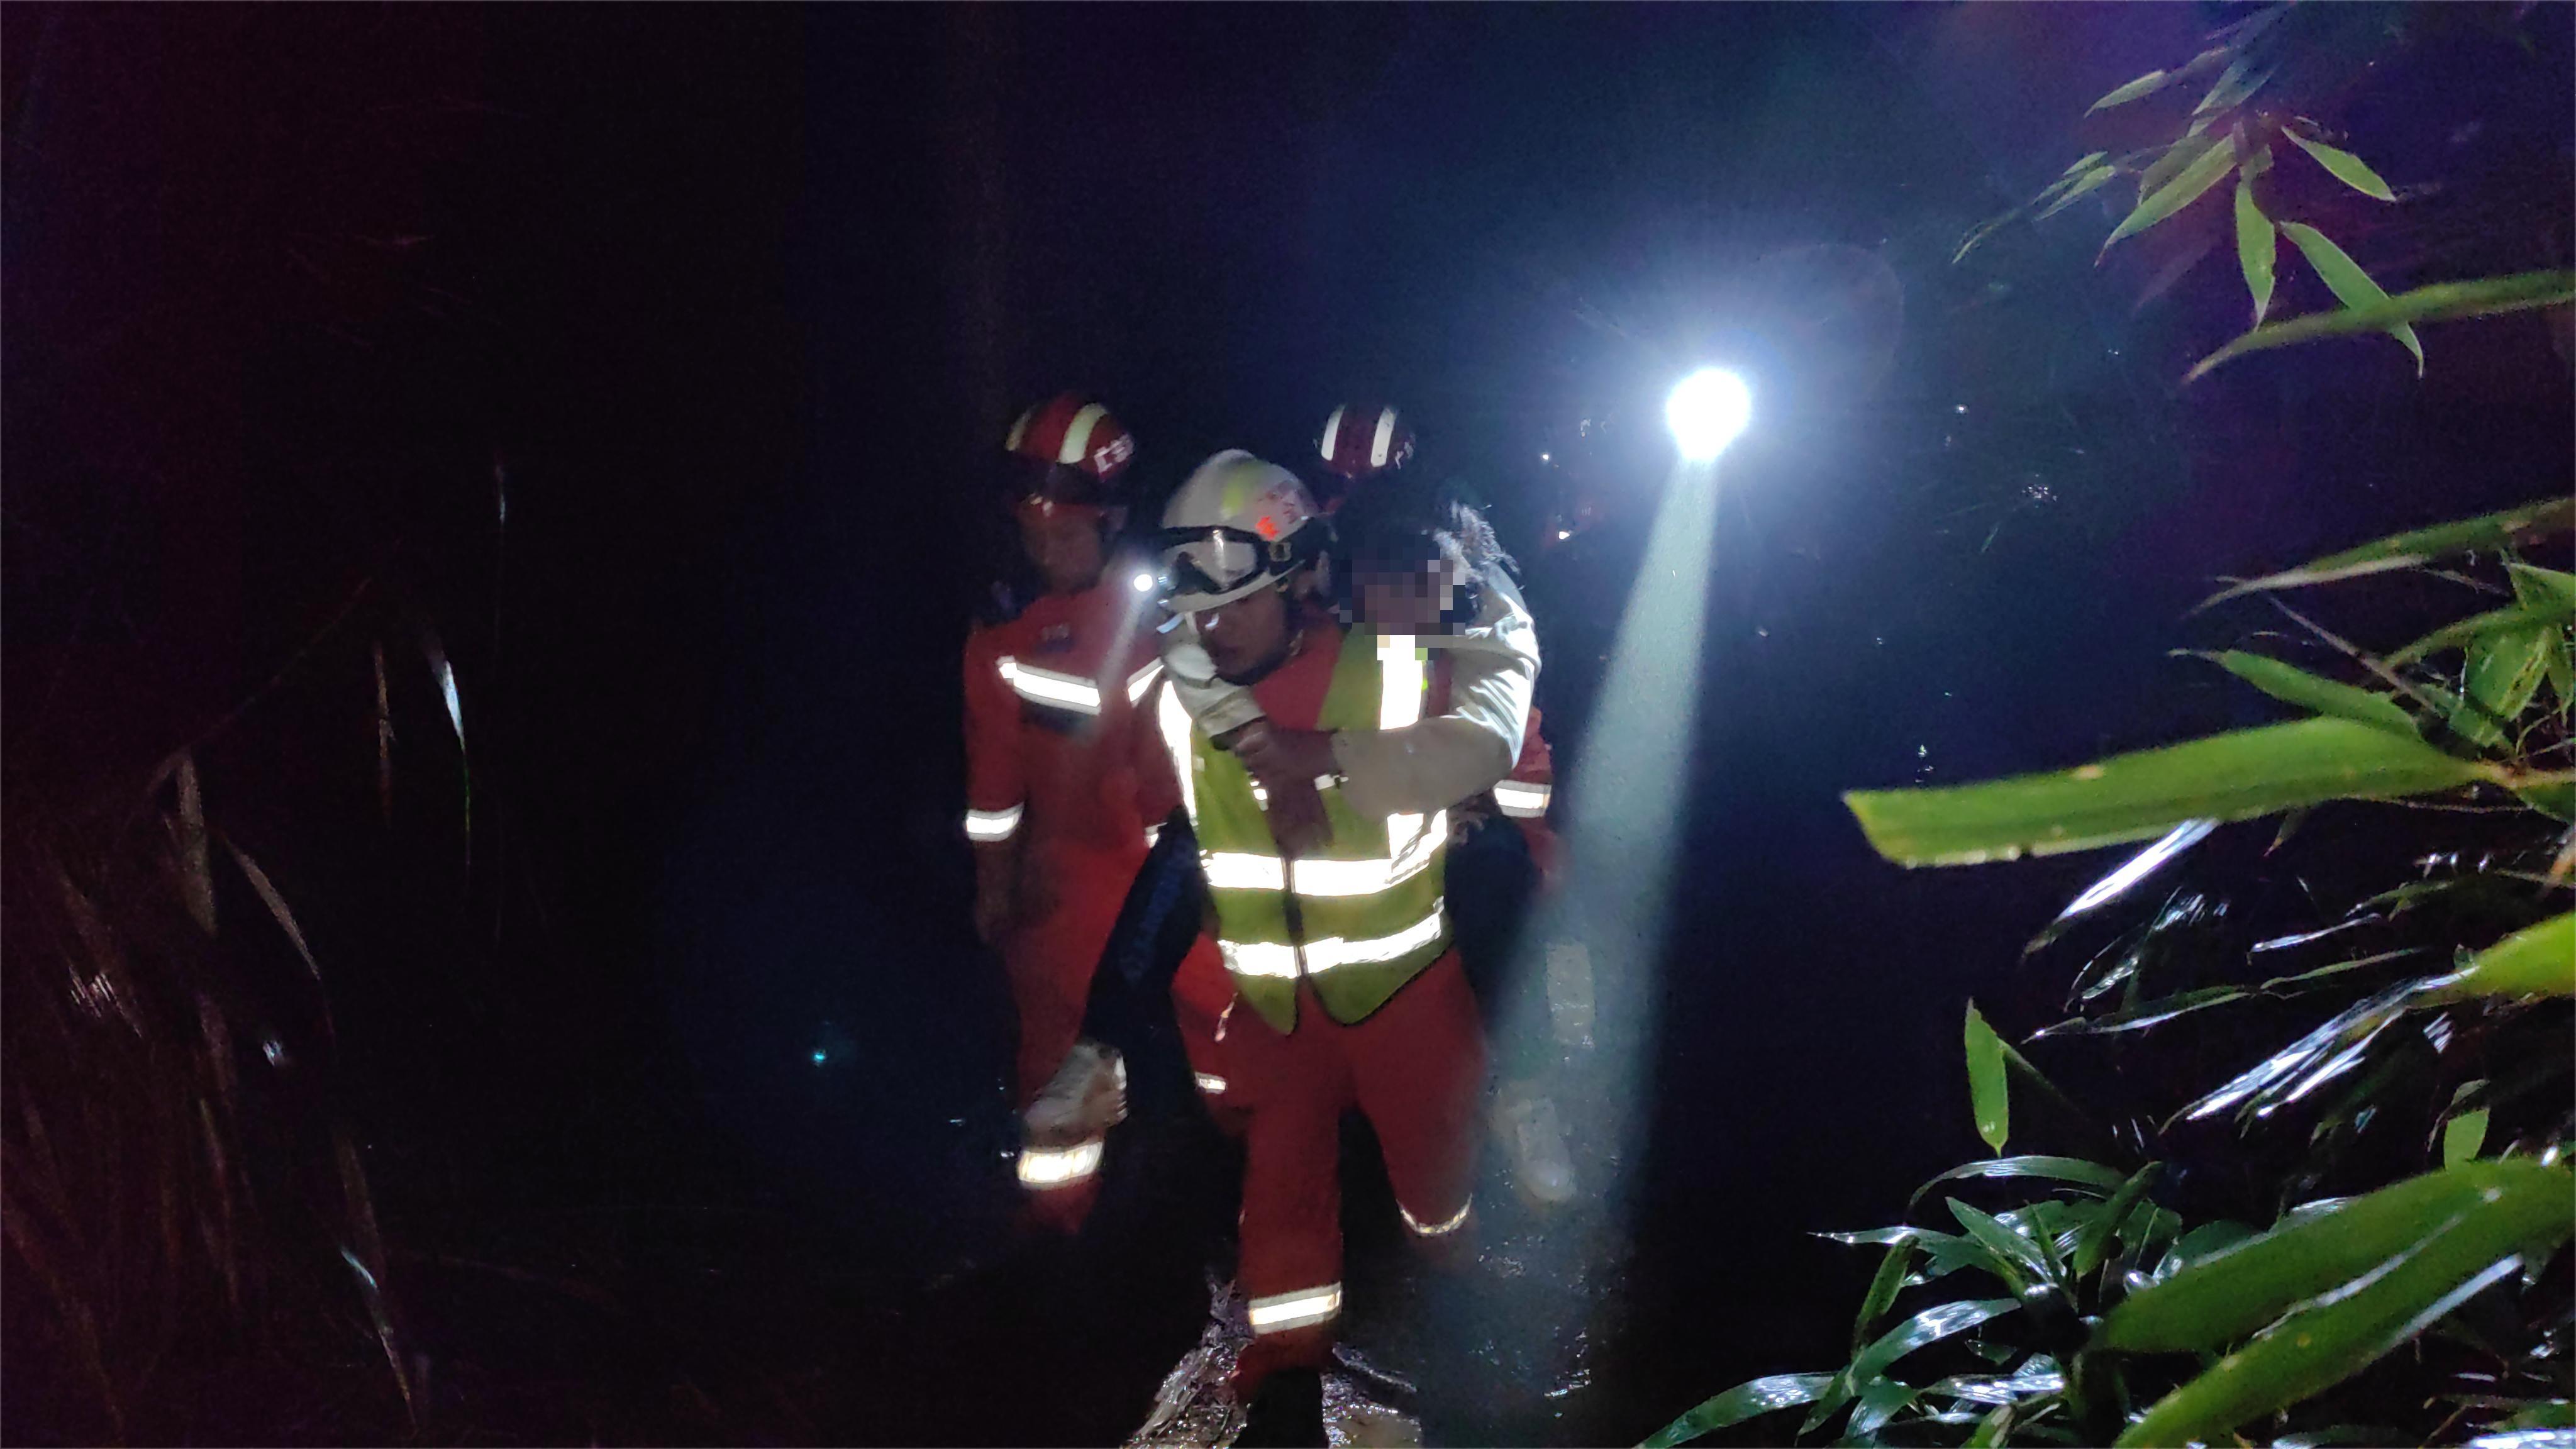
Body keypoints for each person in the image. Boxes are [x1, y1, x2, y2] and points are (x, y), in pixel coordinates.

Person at [1141, 450, 1556, 1435]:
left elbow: (1496, 728)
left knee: (1439, 1178)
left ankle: (1465, 1310)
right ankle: (1284, 1377)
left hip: (1405, 986)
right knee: (1279, 1208)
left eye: (1241, 597)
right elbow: (1168, 839)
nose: (1216, 623)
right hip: (1278, 1005)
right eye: (1202, 604)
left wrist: (1346, 770)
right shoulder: (1178, 692)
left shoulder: (1405, 667)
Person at [960, 392, 1166, 1225]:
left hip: (1168, 895)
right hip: (1059, 902)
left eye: (1067, 532)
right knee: (1052, 1088)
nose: (1047, 550)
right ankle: (1058, 1249)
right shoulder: (1005, 631)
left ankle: (1177, 1230)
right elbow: (993, 785)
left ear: (1114, 519)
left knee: (1202, 1080)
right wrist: (994, 885)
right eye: (1033, 531)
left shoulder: (1174, 616)